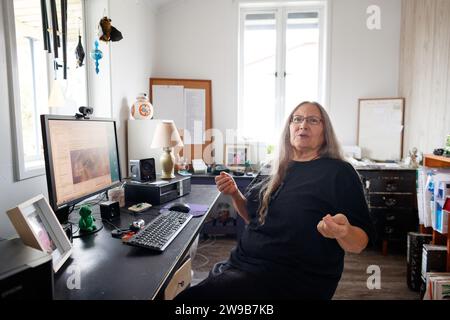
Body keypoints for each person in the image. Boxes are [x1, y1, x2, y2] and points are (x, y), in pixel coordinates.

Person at [176, 101, 376, 300]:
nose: (303, 125)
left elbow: (359, 243)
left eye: (313, 120)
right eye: (297, 119)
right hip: (241, 265)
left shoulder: (338, 172)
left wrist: (343, 232)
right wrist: (235, 194)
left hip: (291, 280)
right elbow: (253, 218)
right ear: (289, 127)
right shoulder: (272, 167)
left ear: (326, 131)